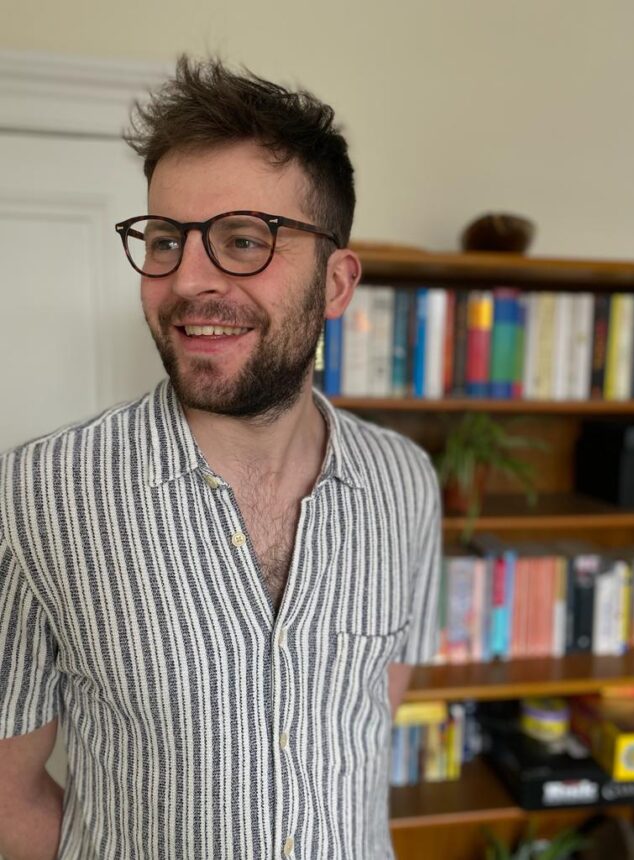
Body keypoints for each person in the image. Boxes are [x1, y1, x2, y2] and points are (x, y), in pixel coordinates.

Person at [0, 56, 441, 860]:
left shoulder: (405, 483)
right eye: (165, 239)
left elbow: (372, 716)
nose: (187, 280)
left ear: (336, 282)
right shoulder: (39, 494)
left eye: (245, 239)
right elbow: (6, 792)